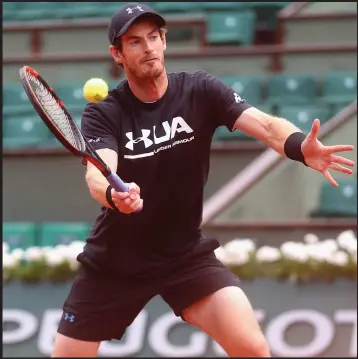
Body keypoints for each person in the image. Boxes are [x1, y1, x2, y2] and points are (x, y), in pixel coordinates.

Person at [52, 3, 355, 357]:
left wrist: (300, 147)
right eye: (135, 42)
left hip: (182, 255)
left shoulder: (200, 90)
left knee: (252, 347)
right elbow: (97, 172)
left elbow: (267, 125)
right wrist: (114, 195)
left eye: (153, 37)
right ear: (117, 54)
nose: (148, 48)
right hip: (116, 262)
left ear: (164, 41)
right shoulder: (105, 112)